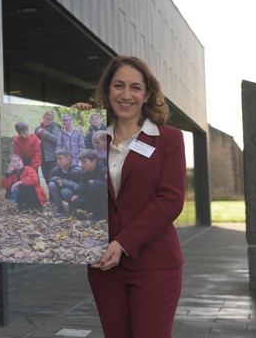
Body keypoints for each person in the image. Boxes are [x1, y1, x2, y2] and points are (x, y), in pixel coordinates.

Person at [77, 55, 186, 337]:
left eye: (135, 87)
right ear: (107, 91)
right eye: (118, 86)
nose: (126, 95)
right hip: (103, 265)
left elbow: (170, 200)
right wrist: (77, 116)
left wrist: (123, 243)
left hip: (154, 264)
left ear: (147, 94)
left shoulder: (168, 138)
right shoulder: (93, 138)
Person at [70, 149, 108, 222]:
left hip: (104, 198)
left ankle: (100, 213)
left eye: (84, 162)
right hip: (92, 196)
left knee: (93, 185)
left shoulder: (104, 170)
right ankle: (96, 212)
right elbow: (83, 189)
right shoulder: (84, 174)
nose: (82, 164)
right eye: (81, 162)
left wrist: (96, 182)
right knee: (77, 200)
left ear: (93, 161)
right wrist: (77, 196)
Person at [48, 148, 83, 217]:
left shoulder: (78, 170)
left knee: (65, 190)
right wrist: (58, 179)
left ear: (69, 159)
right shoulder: (56, 169)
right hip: (60, 192)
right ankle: (60, 207)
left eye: (60, 159)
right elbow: (50, 179)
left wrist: (65, 182)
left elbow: (80, 187)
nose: (58, 161)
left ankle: (73, 207)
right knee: (51, 185)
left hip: (73, 194)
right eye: (57, 159)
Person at [34, 110, 61, 193]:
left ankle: (54, 198)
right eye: (45, 118)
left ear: (52, 120)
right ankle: (51, 197)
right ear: (43, 117)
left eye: (49, 119)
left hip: (51, 156)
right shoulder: (37, 127)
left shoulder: (55, 127)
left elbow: (56, 139)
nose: (47, 120)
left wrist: (43, 132)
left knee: (51, 177)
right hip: (40, 156)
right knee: (46, 177)